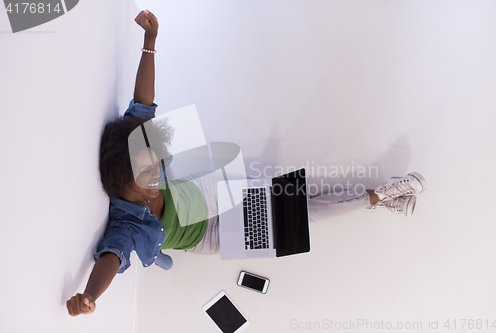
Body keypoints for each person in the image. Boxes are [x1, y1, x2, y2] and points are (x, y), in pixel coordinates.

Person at [66, 9, 428, 316]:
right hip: (210, 235)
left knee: (298, 193)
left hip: (207, 195)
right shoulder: (125, 226)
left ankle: (384, 199)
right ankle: (382, 196)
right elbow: (110, 258)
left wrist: (151, 39)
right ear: (124, 189)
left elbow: (142, 103)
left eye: (155, 164)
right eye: (147, 176)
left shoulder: (136, 148)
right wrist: (90, 297)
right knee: (301, 218)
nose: (157, 173)